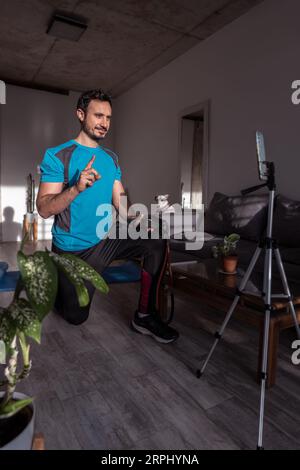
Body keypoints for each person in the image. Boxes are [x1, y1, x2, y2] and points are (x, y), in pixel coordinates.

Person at [36, 89, 179, 344]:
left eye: (109, 117)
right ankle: (58, 281)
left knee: (155, 239)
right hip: (73, 250)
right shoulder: (58, 155)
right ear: (81, 115)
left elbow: (121, 202)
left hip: (105, 240)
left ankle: (144, 315)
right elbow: (44, 209)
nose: (104, 123)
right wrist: (76, 188)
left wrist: (140, 220)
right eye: (98, 115)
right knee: (75, 317)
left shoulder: (111, 158)